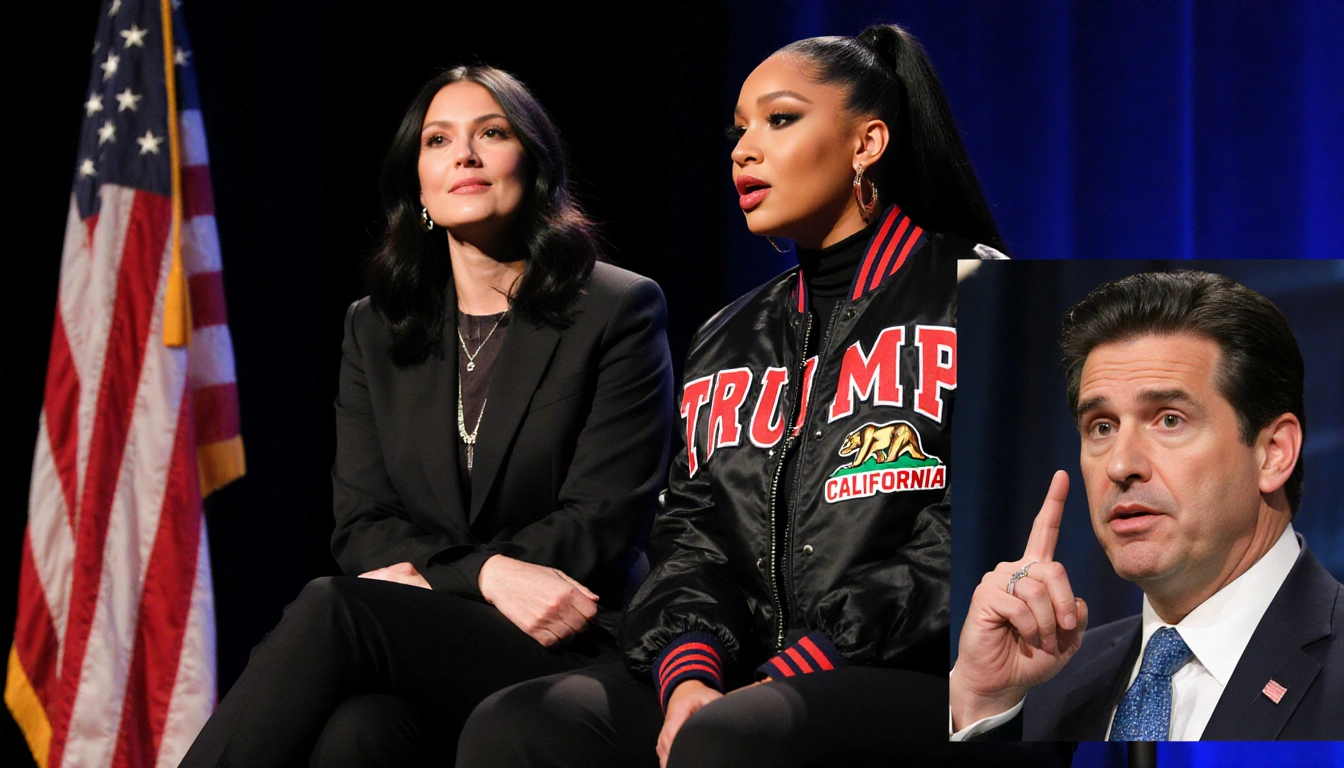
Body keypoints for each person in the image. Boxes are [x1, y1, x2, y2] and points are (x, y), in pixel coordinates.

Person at [456, 24, 1072, 768]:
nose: (743, 150)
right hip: (747, 680)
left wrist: (797, 667)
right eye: (739, 130)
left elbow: (981, 533)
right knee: (519, 724)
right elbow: (691, 539)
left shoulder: (984, 298)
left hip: (930, 674)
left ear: (867, 142)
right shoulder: (727, 334)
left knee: (732, 738)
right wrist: (689, 674)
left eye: (779, 120)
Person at [178, 65, 675, 767]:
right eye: (438, 140)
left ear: (532, 167)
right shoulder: (376, 330)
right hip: (435, 632)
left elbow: (600, 519)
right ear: (419, 185)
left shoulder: (617, 309)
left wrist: (458, 577)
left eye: (491, 134)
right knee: (361, 731)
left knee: (335, 609)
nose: (463, 155)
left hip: (571, 636)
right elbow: (362, 523)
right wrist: (483, 574)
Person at [950, 270, 1344, 741]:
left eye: (1169, 420)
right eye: (1101, 426)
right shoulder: (1042, 688)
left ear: (1273, 453)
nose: (1120, 465)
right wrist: (982, 703)